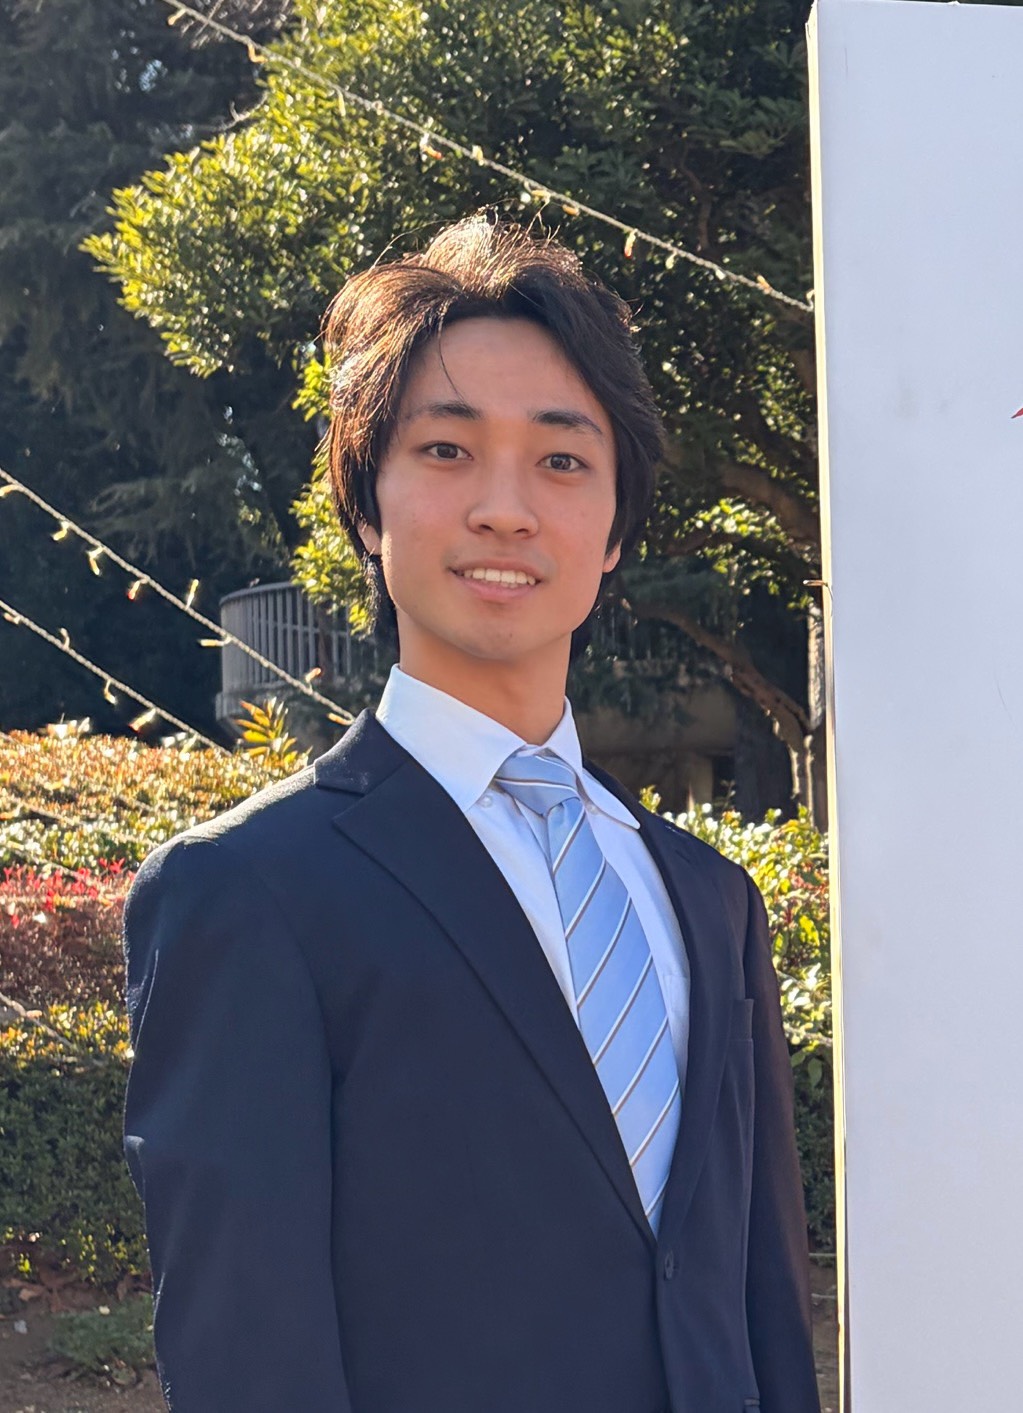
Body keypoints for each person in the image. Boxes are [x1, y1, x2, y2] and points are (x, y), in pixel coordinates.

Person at [122, 215, 821, 1413]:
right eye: (447, 451)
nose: (506, 508)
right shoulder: (247, 892)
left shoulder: (709, 899)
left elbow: (759, 1305)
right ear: (367, 507)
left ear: (616, 531)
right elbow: (250, 1354)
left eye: (562, 461)